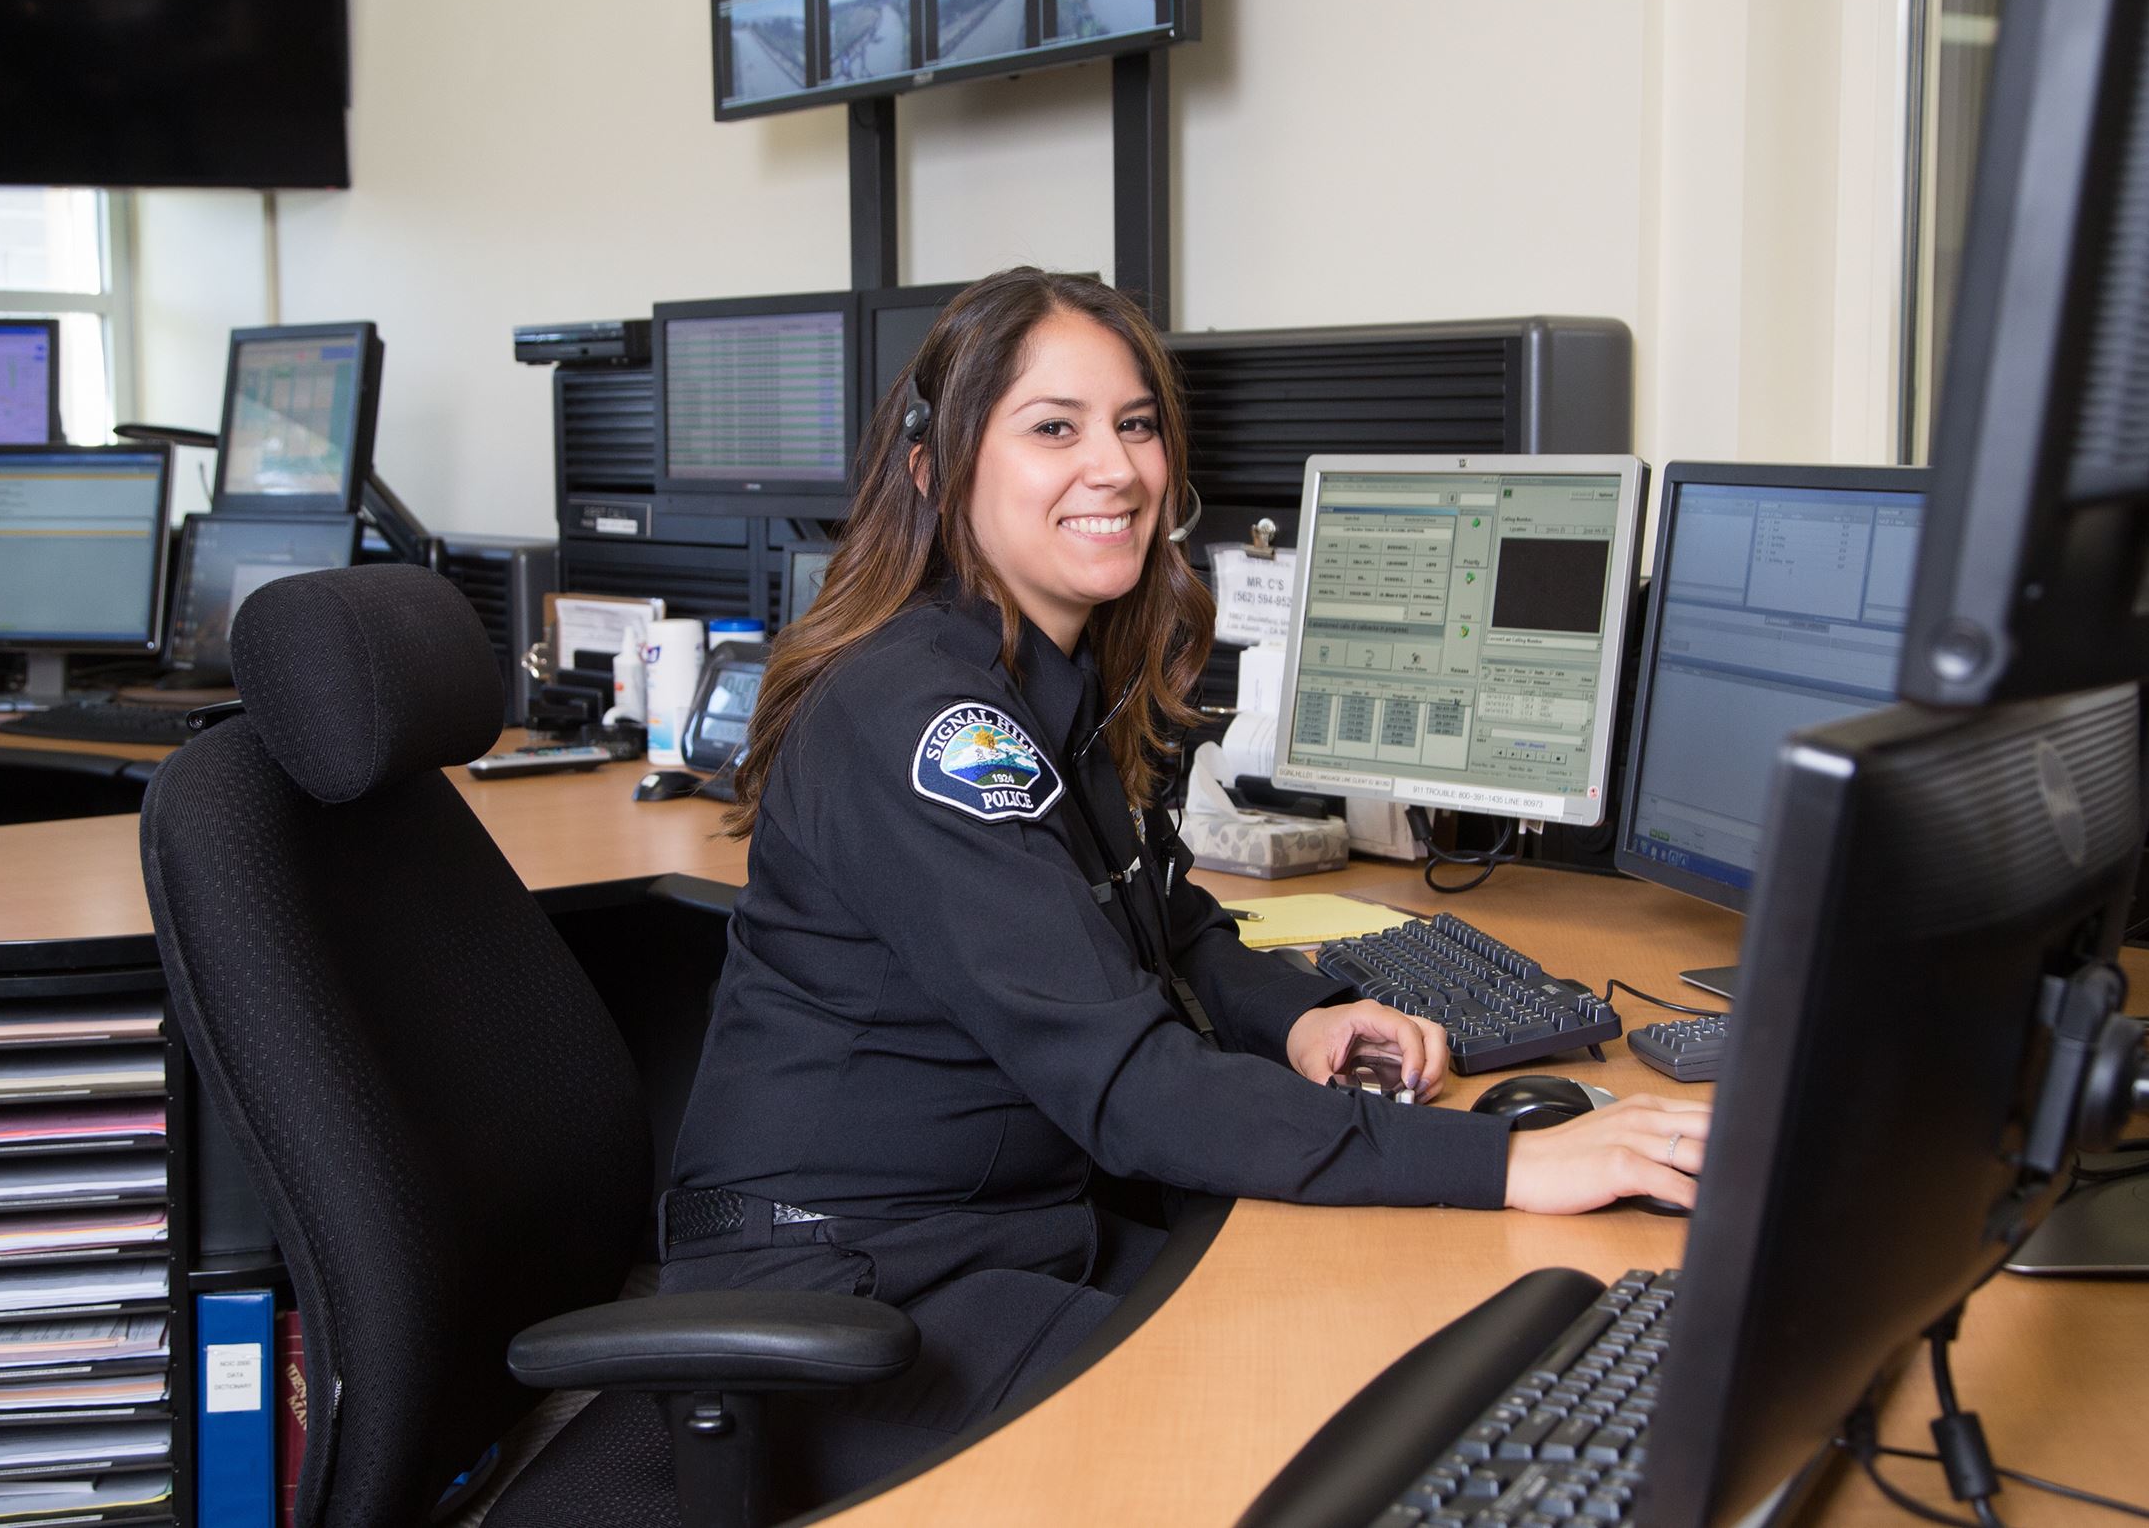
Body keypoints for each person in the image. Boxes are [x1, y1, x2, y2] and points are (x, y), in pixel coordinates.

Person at [661, 268, 1706, 1503]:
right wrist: (1513, 1162)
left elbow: (1160, 916)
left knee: (1380, 1342)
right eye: (1052, 426)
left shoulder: (1037, 669)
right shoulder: (927, 722)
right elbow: (1132, 1089)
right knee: (1303, 1435)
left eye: (1135, 423)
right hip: (855, 1301)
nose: (1113, 465)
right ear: (935, 469)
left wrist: (1299, 1014)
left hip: (1008, 1232)